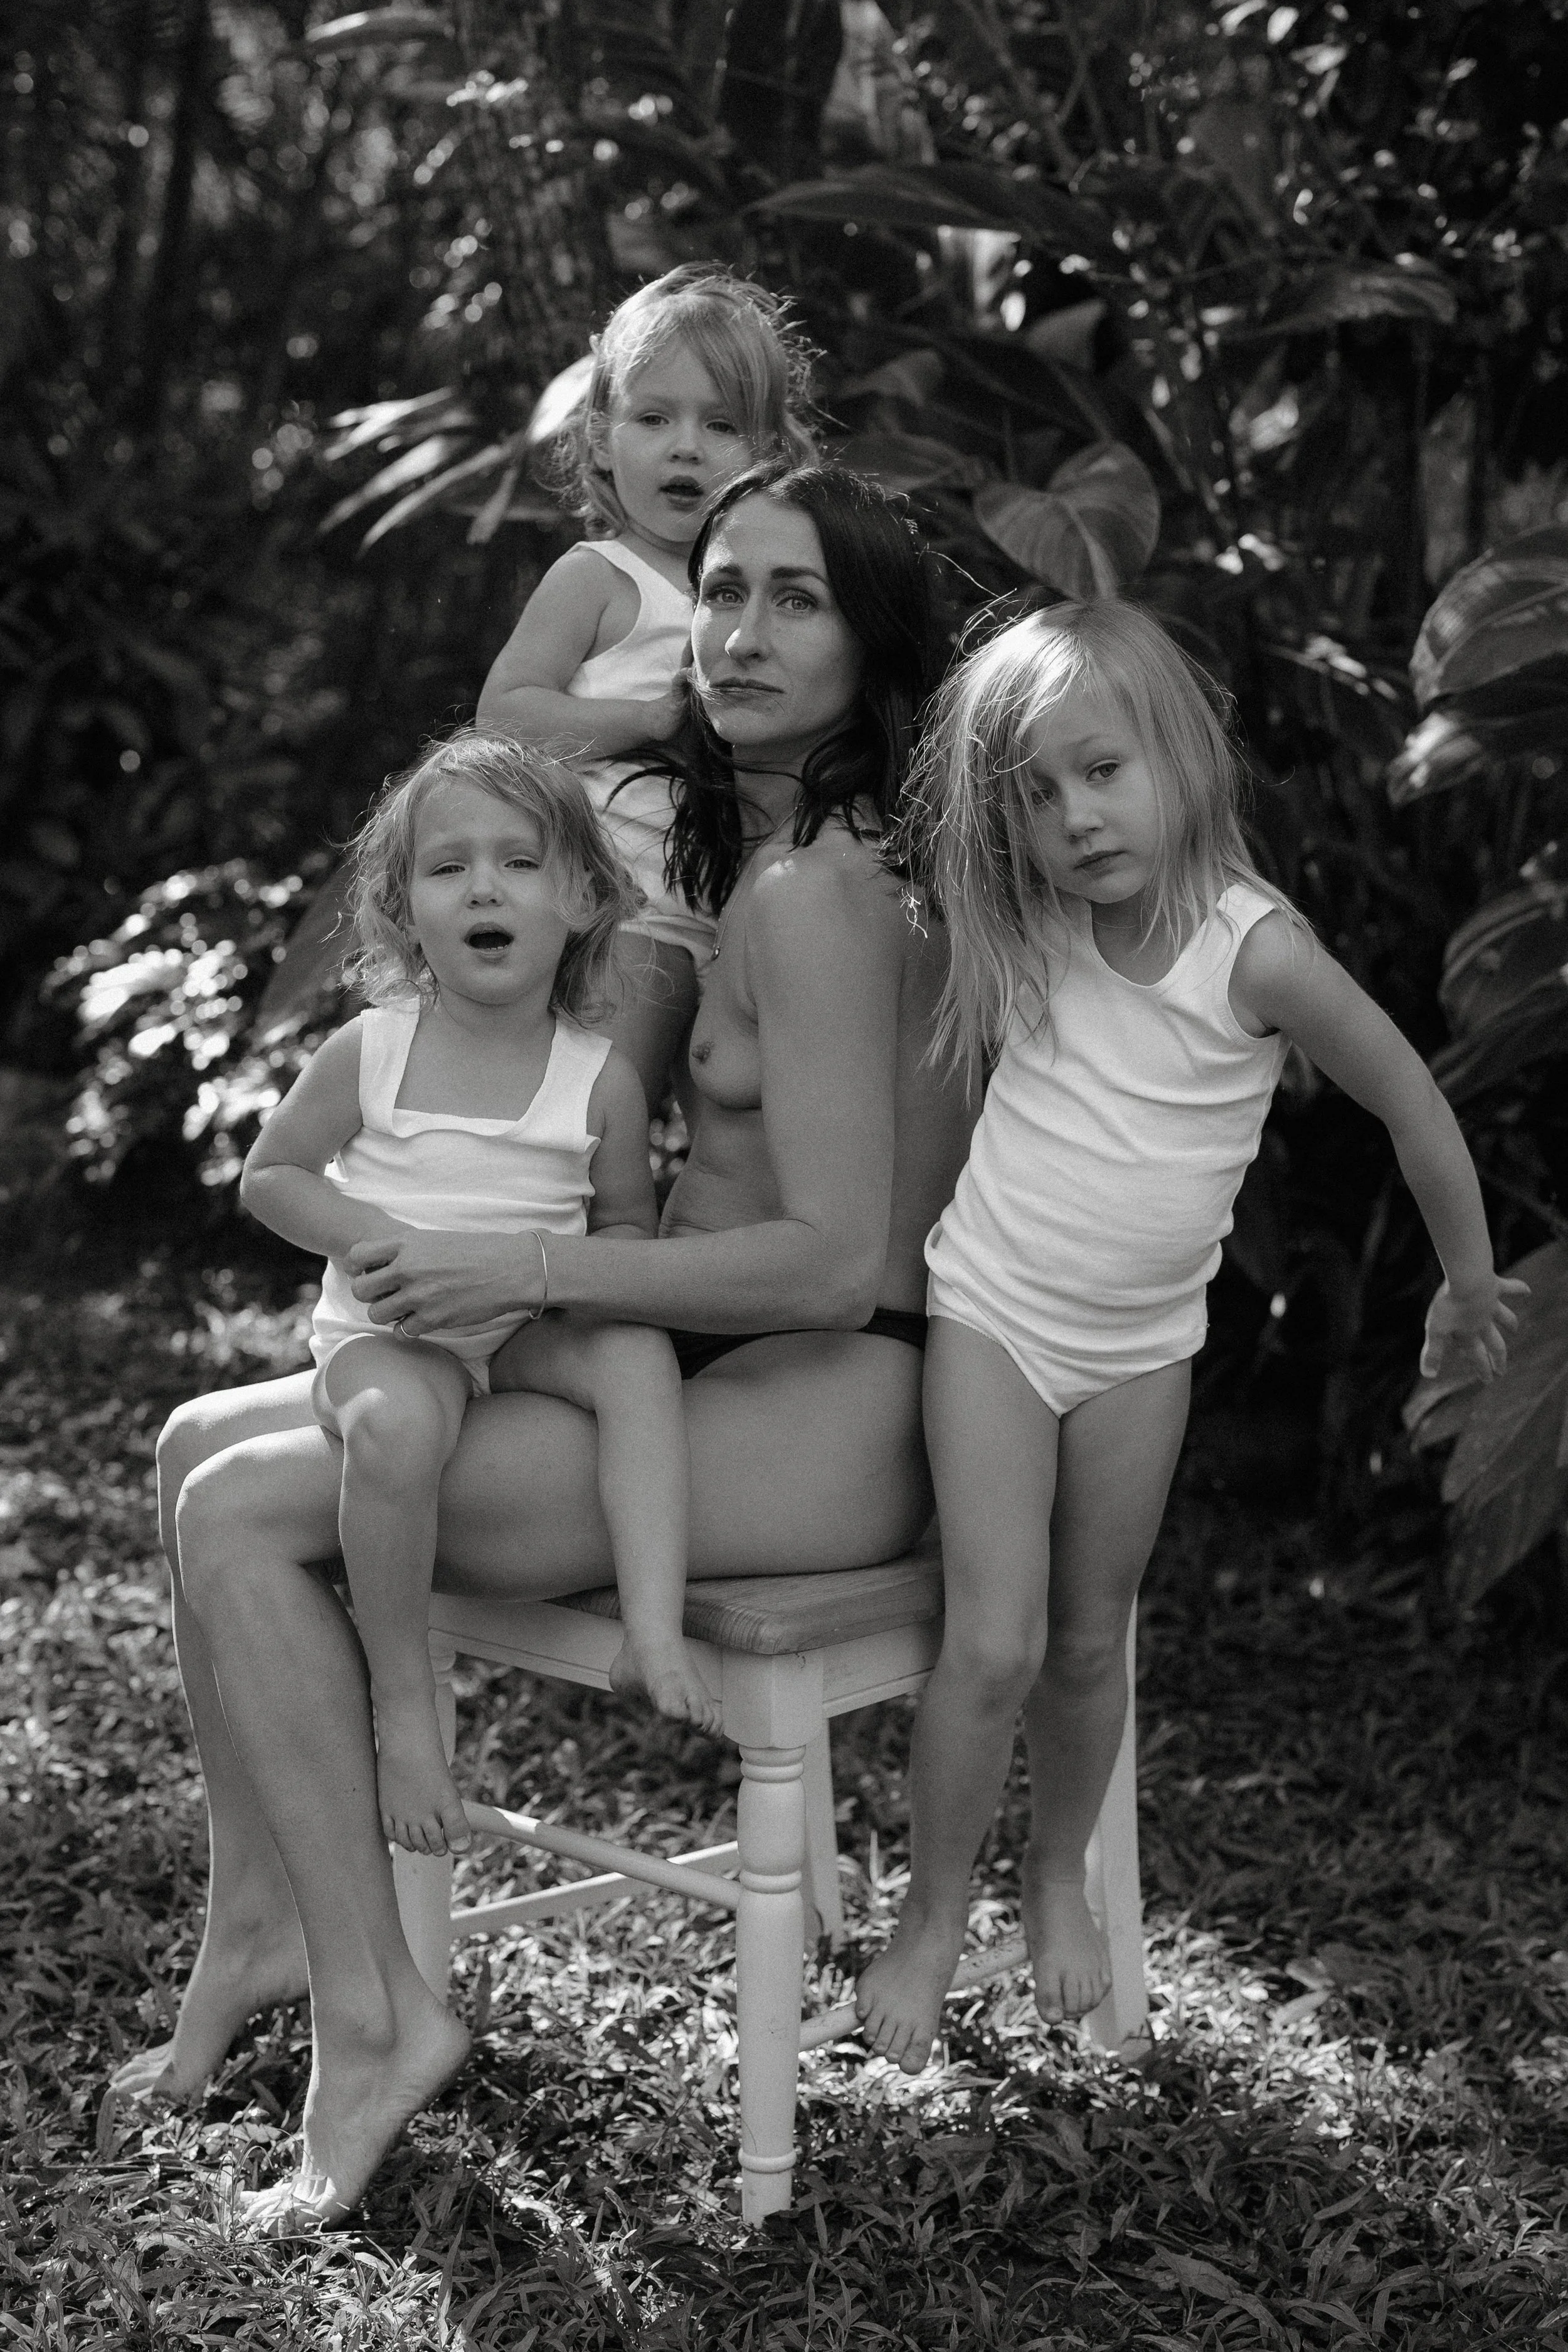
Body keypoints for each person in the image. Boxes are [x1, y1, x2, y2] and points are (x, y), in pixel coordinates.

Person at [124, 462, 975, 2232]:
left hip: (831, 1404)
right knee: (196, 1437)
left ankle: (375, 2012)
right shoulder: (774, 861)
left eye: (794, 597)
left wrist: (523, 1259)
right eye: (719, 586)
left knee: (240, 1512)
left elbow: (828, 1260)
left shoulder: (820, 892)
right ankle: (272, 1916)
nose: (734, 628)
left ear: (875, 641)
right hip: (743, 1374)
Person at [855, 599, 1528, 2075]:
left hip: (1140, 1352)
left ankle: (1053, 1880)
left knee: (1088, 1646)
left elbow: (1410, 1099)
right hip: (992, 1316)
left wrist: (1466, 1282)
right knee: (993, 1643)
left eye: (1101, 771)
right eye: (1035, 794)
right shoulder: (1027, 918)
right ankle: (928, 1917)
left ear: (1179, 762)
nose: (1074, 817)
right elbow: (929, 830)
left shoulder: (1256, 953)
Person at [241, 733, 719, 1868]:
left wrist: (582, 1304)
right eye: (448, 867)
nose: (485, 887)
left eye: (519, 860)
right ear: (406, 910)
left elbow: (620, 1233)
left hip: (524, 1331)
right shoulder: (374, 1048)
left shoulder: (599, 1075)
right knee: (396, 1426)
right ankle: (403, 1707)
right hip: (394, 1332)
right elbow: (272, 1174)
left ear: (586, 895)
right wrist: (385, 1241)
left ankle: (651, 1623)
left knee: (639, 1355)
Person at [475, 263, 815, 1115]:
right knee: (594, 1119)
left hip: (722, 916)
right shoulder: (600, 576)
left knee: (722, 1134)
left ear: (770, 452)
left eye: (722, 424)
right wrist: (648, 719)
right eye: (654, 417)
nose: (686, 447)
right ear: (600, 436)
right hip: (617, 909)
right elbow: (504, 714)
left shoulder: (756, 596)